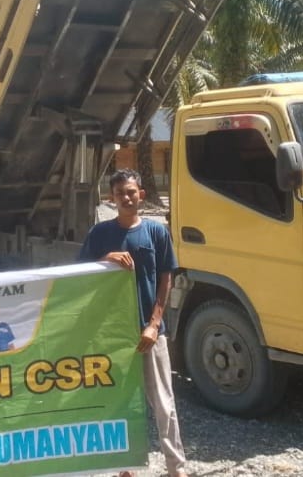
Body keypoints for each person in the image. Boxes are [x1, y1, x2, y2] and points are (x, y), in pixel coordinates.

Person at [78, 169, 188, 477]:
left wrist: (154, 323)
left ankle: (175, 467)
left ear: (140, 193)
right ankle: (126, 468)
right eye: (119, 193)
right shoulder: (99, 235)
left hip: (149, 333)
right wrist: (106, 260)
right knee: (121, 404)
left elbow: (166, 277)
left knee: (164, 404)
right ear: (110, 198)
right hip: (114, 336)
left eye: (131, 192)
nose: (126, 197)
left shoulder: (156, 232)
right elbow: (77, 275)